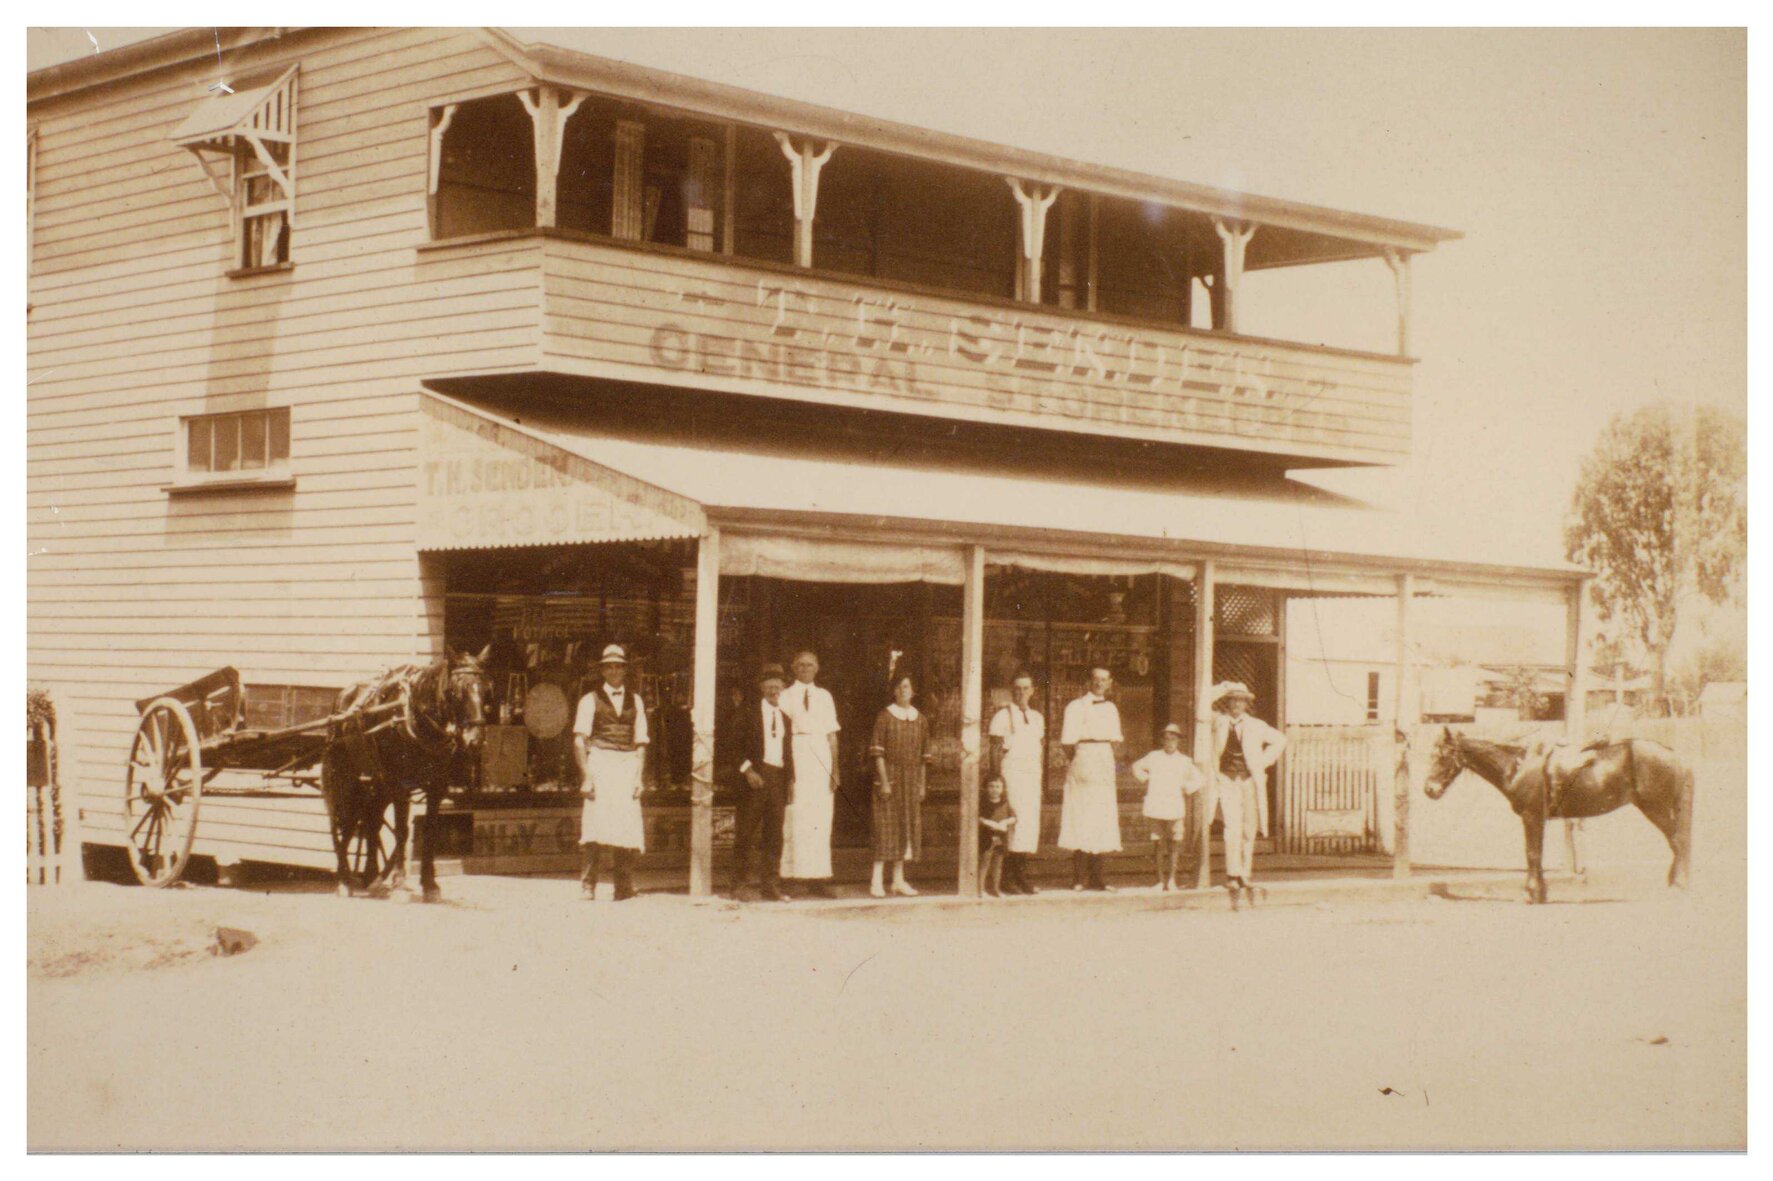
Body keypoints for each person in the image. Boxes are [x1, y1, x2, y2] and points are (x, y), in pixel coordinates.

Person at [574, 645, 649, 901]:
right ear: (602, 670)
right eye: (609, 666)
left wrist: (639, 777)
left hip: (627, 765)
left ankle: (623, 886)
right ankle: (588, 885)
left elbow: (640, 742)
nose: (614, 670)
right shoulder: (589, 700)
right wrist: (586, 776)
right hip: (601, 763)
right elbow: (579, 740)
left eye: (619, 666)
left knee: (625, 827)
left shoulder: (636, 700)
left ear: (625, 670)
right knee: (595, 826)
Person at [1204, 681, 1286, 904]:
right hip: (1227, 779)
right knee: (1232, 827)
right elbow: (1203, 702)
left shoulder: (1256, 725)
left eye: (1241, 700)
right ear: (1227, 702)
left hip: (1249, 780)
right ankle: (1232, 874)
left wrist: (1261, 762)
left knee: (1249, 828)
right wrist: (1224, 686)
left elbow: (1280, 740)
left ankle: (1245, 874)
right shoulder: (1218, 721)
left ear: (1246, 704)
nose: (1236, 704)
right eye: (1232, 699)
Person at [723, 663, 795, 902]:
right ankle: (739, 886)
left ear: (784, 687)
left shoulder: (785, 718)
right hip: (755, 777)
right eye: (770, 684)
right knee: (746, 833)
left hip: (778, 779)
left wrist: (790, 782)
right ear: (762, 687)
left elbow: (788, 753)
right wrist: (748, 771)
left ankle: (771, 887)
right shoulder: (748, 712)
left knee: (774, 835)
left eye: (778, 684)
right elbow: (732, 746)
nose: (774, 688)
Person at [779, 650, 841, 898]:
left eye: (810, 665)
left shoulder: (825, 696)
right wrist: (788, 774)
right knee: (794, 817)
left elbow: (832, 735)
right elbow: (781, 736)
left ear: (817, 668)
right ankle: (790, 877)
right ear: (794, 668)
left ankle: (819, 877)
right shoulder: (785, 695)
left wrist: (835, 769)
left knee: (821, 819)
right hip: (797, 755)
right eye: (801, 665)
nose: (805, 669)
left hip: (821, 758)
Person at [1059, 666, 1124, 891]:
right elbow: (1067, 743)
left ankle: (1098, 878)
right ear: (1089, 681)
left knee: (1102, 817)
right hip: (1083, 758)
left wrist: (1109, 766)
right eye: (1095, 679)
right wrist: (1080, 761)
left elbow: (1115, 743)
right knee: (1081, 817)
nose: (1099, 683)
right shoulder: (1075, 707)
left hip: (1104, 761)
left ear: (1109, 683)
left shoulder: (1112, 708)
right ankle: (1079, 878)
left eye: (1104, 680)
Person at [868, 672, 931, 898]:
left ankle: (898, 880)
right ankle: (876, 881)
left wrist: (922, 785)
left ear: (913, 691)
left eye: (908, 687)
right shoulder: (884, 717)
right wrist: (884, 781)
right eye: (900, 687)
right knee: (885, 828)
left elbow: (924, 757)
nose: (904, 691)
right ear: (894, 691)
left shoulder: (920, 719)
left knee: (906, 828)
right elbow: (877, 753)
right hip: (890, 778)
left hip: (911, 779)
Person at [988, 671, 1044, 894]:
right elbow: (994, 751)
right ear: (1012, 690)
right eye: (1017, 689)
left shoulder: (1037, 717)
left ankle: (1021, 876)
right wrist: (996, 783)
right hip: (1011, 776)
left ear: (1032, 691)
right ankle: (1006, 878)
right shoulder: (1003, 716)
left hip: (1031, 778)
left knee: (1028, 828)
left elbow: (1037, 751)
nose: (1021, 693)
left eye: (1026, 688)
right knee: (1012, 826)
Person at [1132, 723, 1204, 891]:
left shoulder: (1184, 761)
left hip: (1174, 806)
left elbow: (1200, 778)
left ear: (1178, 741)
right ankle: (1159, 880)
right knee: (1158, 843)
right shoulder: (1153, 756)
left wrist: (1186, 787)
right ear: (1162, 741)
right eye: (1166, 739)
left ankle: (1171, 880)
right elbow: (1136, 766)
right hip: (1156, 805)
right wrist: (1146, 778)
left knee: (1174, 843)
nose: (1169, 742)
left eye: (1173, 739)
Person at [978, 775, 1016, 898]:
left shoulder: (1005, 803)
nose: (994, 789)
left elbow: (1014, 817)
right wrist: (989, 823)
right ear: (986, 788)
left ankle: (996, 889)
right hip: (987, 836)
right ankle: (980, 889)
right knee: (985, 862)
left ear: (1003, 788)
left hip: (1001, 836)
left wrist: (1005, 822)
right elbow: (979, 818)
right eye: (991, 786)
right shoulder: (983, 803)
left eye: (998, 786)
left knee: (998, 864)